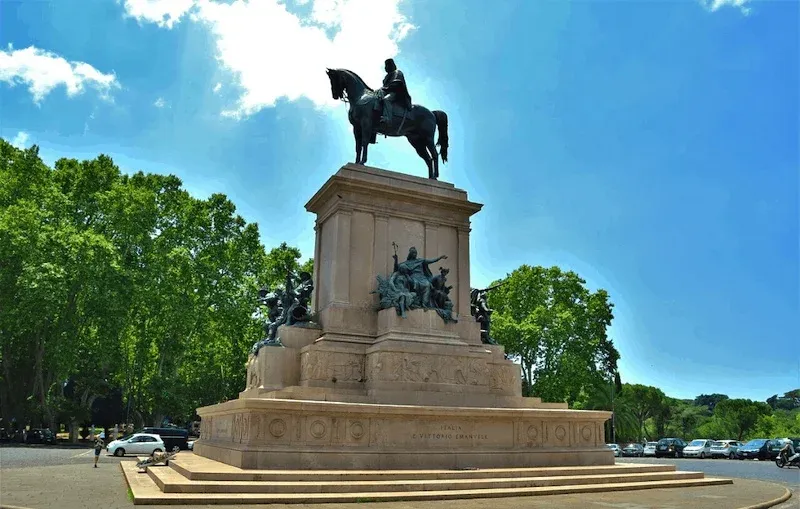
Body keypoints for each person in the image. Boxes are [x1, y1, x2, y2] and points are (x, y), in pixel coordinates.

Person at [379, 58, 412, 127]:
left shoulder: (397, 72)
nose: (386, 67)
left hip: (397, 93)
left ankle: (387, 118)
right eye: (386, 66)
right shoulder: (386, 77)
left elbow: (397, 83)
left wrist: (387, 88)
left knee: (386, 100)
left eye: (388, 65)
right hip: (387, 92)